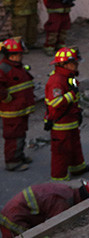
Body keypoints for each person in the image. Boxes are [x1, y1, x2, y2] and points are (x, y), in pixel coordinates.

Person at [45, 47, 89, 181]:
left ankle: (77, 168)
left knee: (74, 146)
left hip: (70, 119)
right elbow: (55, 102)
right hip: (61, 124)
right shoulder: (56, 80)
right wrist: (72, 95)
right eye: (74, 63)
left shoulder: (69, 76)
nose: (77, 65)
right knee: (61, 153)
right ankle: (59, 179)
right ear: (64, 64)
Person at [0, 180, 89, 237]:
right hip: (13, 219)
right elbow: (56, 228)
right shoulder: (62, 204)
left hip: (15, 212)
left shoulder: (66, 192)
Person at [0, 39, 35, 172]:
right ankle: (12, 162)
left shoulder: (15, 66)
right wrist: (6, 98)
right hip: (12, 111)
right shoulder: (4, 68)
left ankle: (19, 156)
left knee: (20, 134)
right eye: (19, 54)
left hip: (20, 108)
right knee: (13, 136)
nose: (21, 57)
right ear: (11, 55)